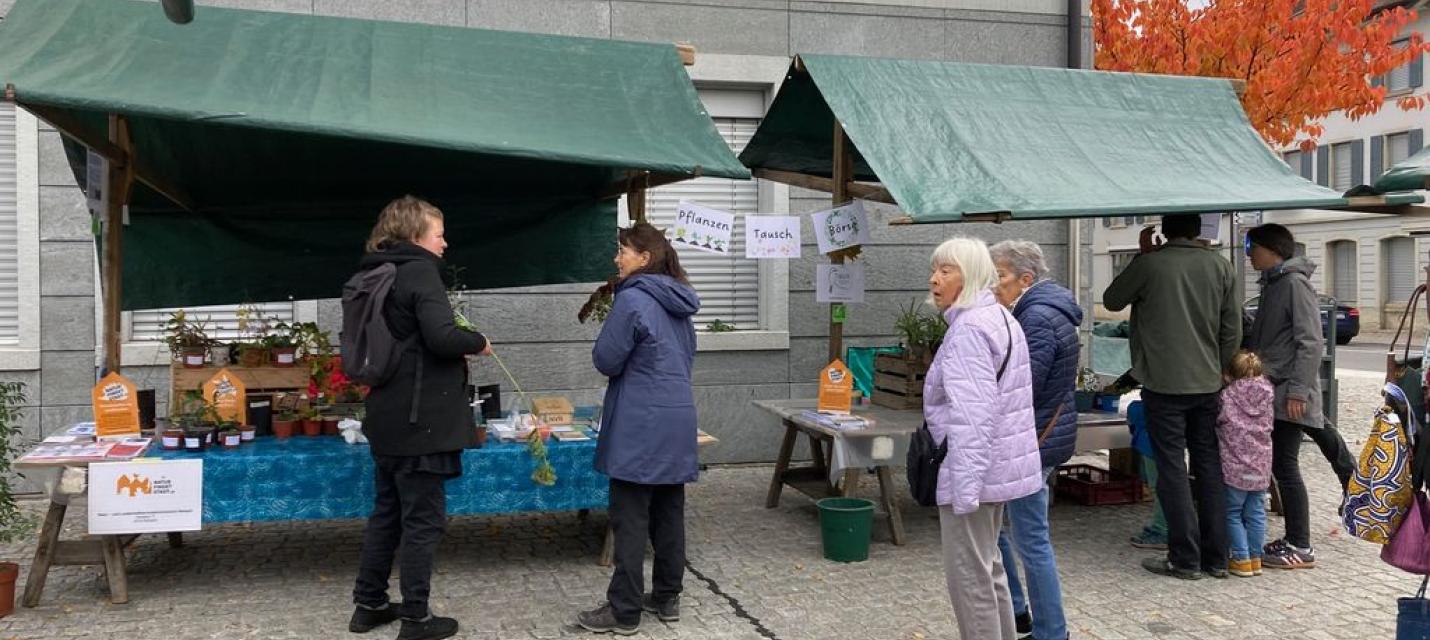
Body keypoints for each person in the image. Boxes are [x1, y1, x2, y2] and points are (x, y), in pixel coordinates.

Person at [350, 196, 492, 640]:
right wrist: (478, 340)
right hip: (421, 423)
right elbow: (442, 336)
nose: (445, 242)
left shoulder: (374, 271)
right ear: (416, 235)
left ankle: (369, 605)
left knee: (386, 514)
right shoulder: (419, 271)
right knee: (422, 522)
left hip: (386, 417)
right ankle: (416, 618)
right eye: (439, 233)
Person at [576, 223, 700, 636]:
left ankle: (624, 610)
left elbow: (606, 360)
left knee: (629, 516)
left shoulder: (632, 300)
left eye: (623, 251)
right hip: (677, 417)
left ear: (644, 258)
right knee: (669, 512)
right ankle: (667, 597)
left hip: (639, 422)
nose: (617, 258)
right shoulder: (680, 301)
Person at [1103, 213, 1239, 580]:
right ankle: (1217, 558)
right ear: (1199, 232)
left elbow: (1113, 300)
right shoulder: (1221, 266)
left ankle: (1185, 558)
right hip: (1208, 383)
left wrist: (1141, 257)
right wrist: (1223, 368)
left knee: (1171, 469)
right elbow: (1232, 327)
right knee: (1209, 467)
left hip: (1163, 383)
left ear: (1164, 231)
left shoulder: (1151, 264)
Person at [925, 237, 1043, 640]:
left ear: (971, 275)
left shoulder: (970, 331)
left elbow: (972, 418)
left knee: (970, 578)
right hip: (996, 468)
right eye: (935, 269)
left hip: (974, 471)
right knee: (988, 567)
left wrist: (965, 489)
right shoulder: (998, 317)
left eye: (947, 270)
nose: (935, 279)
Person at [989, 240, 1077, 640]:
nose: (994, 286)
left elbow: (1026, 385)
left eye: (1000, 277)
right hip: (1038, 437)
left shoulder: (1037, 317)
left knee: (1030, 539)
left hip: (1031, 443)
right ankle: (1019, 611)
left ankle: (1050, 632)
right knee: (1002, 530)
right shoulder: (1042, 309)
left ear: (1026, 278)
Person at [1243, 223, 1343, 569]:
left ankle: (1300, 544)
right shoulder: (1274, 284)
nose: (1248, 254)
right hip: (1278, 389)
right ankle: (1295, 539)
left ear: (1270, 249)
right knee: (1284, 463)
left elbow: (1310, 341)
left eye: (1251, 247)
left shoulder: (1293, 284)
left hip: (1290, 393)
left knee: (1286, 466)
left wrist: (1299, 389)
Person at [1216, 350, 1275, 578]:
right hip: (1261, 466)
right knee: (1256, 512)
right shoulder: (1268, 393)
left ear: (1229, 375)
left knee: (1232, 512)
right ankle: (1255, 558)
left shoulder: (1227, 396)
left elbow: (1220, 420)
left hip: (1234, 466)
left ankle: (1240, 558)